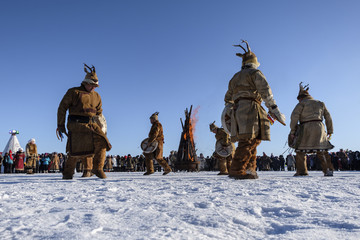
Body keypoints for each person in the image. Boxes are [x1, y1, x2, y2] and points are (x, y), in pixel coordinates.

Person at [224, 40, 286, 179]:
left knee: (252, 140)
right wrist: (274, 108)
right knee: (248, 141)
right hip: (251, 109)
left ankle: (250, 170)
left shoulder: (234, 77)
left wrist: (230, 110)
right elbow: (266, 92)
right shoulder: (255, 73)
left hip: (238, 110)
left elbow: (227, 98)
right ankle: (237, 170)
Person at [57, 64, 112, 179]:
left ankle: (98, 168)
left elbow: (99, 113)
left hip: (92, 124)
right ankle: (68, 172)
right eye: (91, 85)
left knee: (103, 142)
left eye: (95, 86)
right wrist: (60, 124)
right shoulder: (73, 92)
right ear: (85, 83)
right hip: (76, 124)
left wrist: (102, 126)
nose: (93, 87)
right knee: (76, 150)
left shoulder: (97, 96)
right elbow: (62, 107)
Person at [289, 83, 334, 176]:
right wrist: (330, 130)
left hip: (306, 127)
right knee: (322, 149)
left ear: (301, 97)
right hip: (319, 127)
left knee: (300, 150)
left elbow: (294, 117)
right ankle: (328, 170)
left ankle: (302, 171)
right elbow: (328, 117)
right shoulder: (320, 103)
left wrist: (293, 131)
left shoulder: (301, 104)